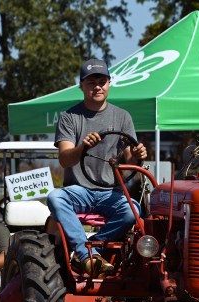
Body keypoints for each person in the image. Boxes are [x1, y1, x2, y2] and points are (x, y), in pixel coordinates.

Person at [46, 58, 148, 276]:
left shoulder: (123, 117)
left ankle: (93, 250)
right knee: (56, 198)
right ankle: (86, 256)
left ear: (110, 83)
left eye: (102, 81)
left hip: (111, 192)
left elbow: (129, 160)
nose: (97, 87)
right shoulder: (69, 117)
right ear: (81, 86)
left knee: (134, 211)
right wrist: (83, 146)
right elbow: (64, 159)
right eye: (91, 82)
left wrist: (138, 155)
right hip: (78, 191)